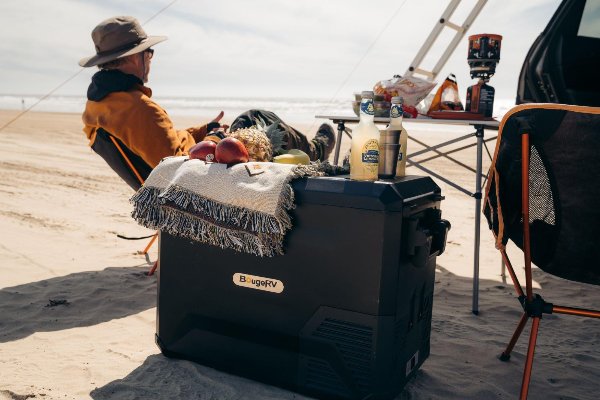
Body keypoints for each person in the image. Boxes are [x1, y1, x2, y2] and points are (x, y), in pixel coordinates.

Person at [79, 16, 335, 175]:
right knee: (258, 118)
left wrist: (204, 130)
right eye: (149, 53)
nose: (150, 58)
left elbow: (160, 144)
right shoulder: (140, 109)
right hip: (203, 181)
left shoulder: (101, 107)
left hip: (184, 173)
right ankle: (317, 150)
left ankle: (314, 148)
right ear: (135, 57)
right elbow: (180, 165)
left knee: (251, 121)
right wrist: (216, 137)